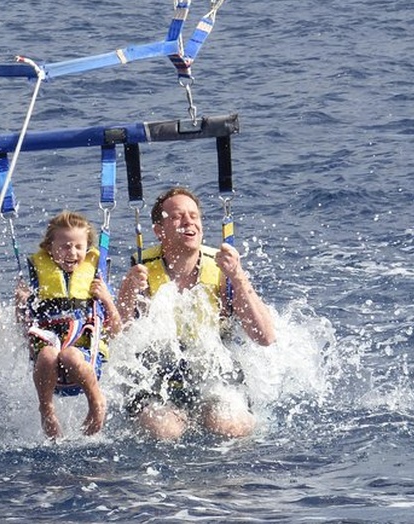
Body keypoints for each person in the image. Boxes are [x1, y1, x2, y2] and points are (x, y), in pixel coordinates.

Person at [117, 187, 276, 441]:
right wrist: (126, 292)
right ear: (159, 230)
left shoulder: (224, 269)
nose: (189, 222)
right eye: (178, 216)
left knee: (228, 426)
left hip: (213, 375)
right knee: (164, 430)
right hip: (155, 379)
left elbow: (265, 336)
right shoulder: (141, 273)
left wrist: (238, 277)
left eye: (194, 216)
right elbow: (115, 338)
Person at [16, 210, 122, 439]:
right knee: (47, 355)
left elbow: (116, 330)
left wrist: (106, 300)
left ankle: (96, 402)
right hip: (50, 370)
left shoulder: (96, 283)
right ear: (49, 248)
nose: (72, 252)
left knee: (70, 356)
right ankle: (46, 409)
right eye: (64, 246)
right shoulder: (38, 288)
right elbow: (23, 330)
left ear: (87, 249)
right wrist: (21, 305)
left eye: (78, 247)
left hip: (86, 358)